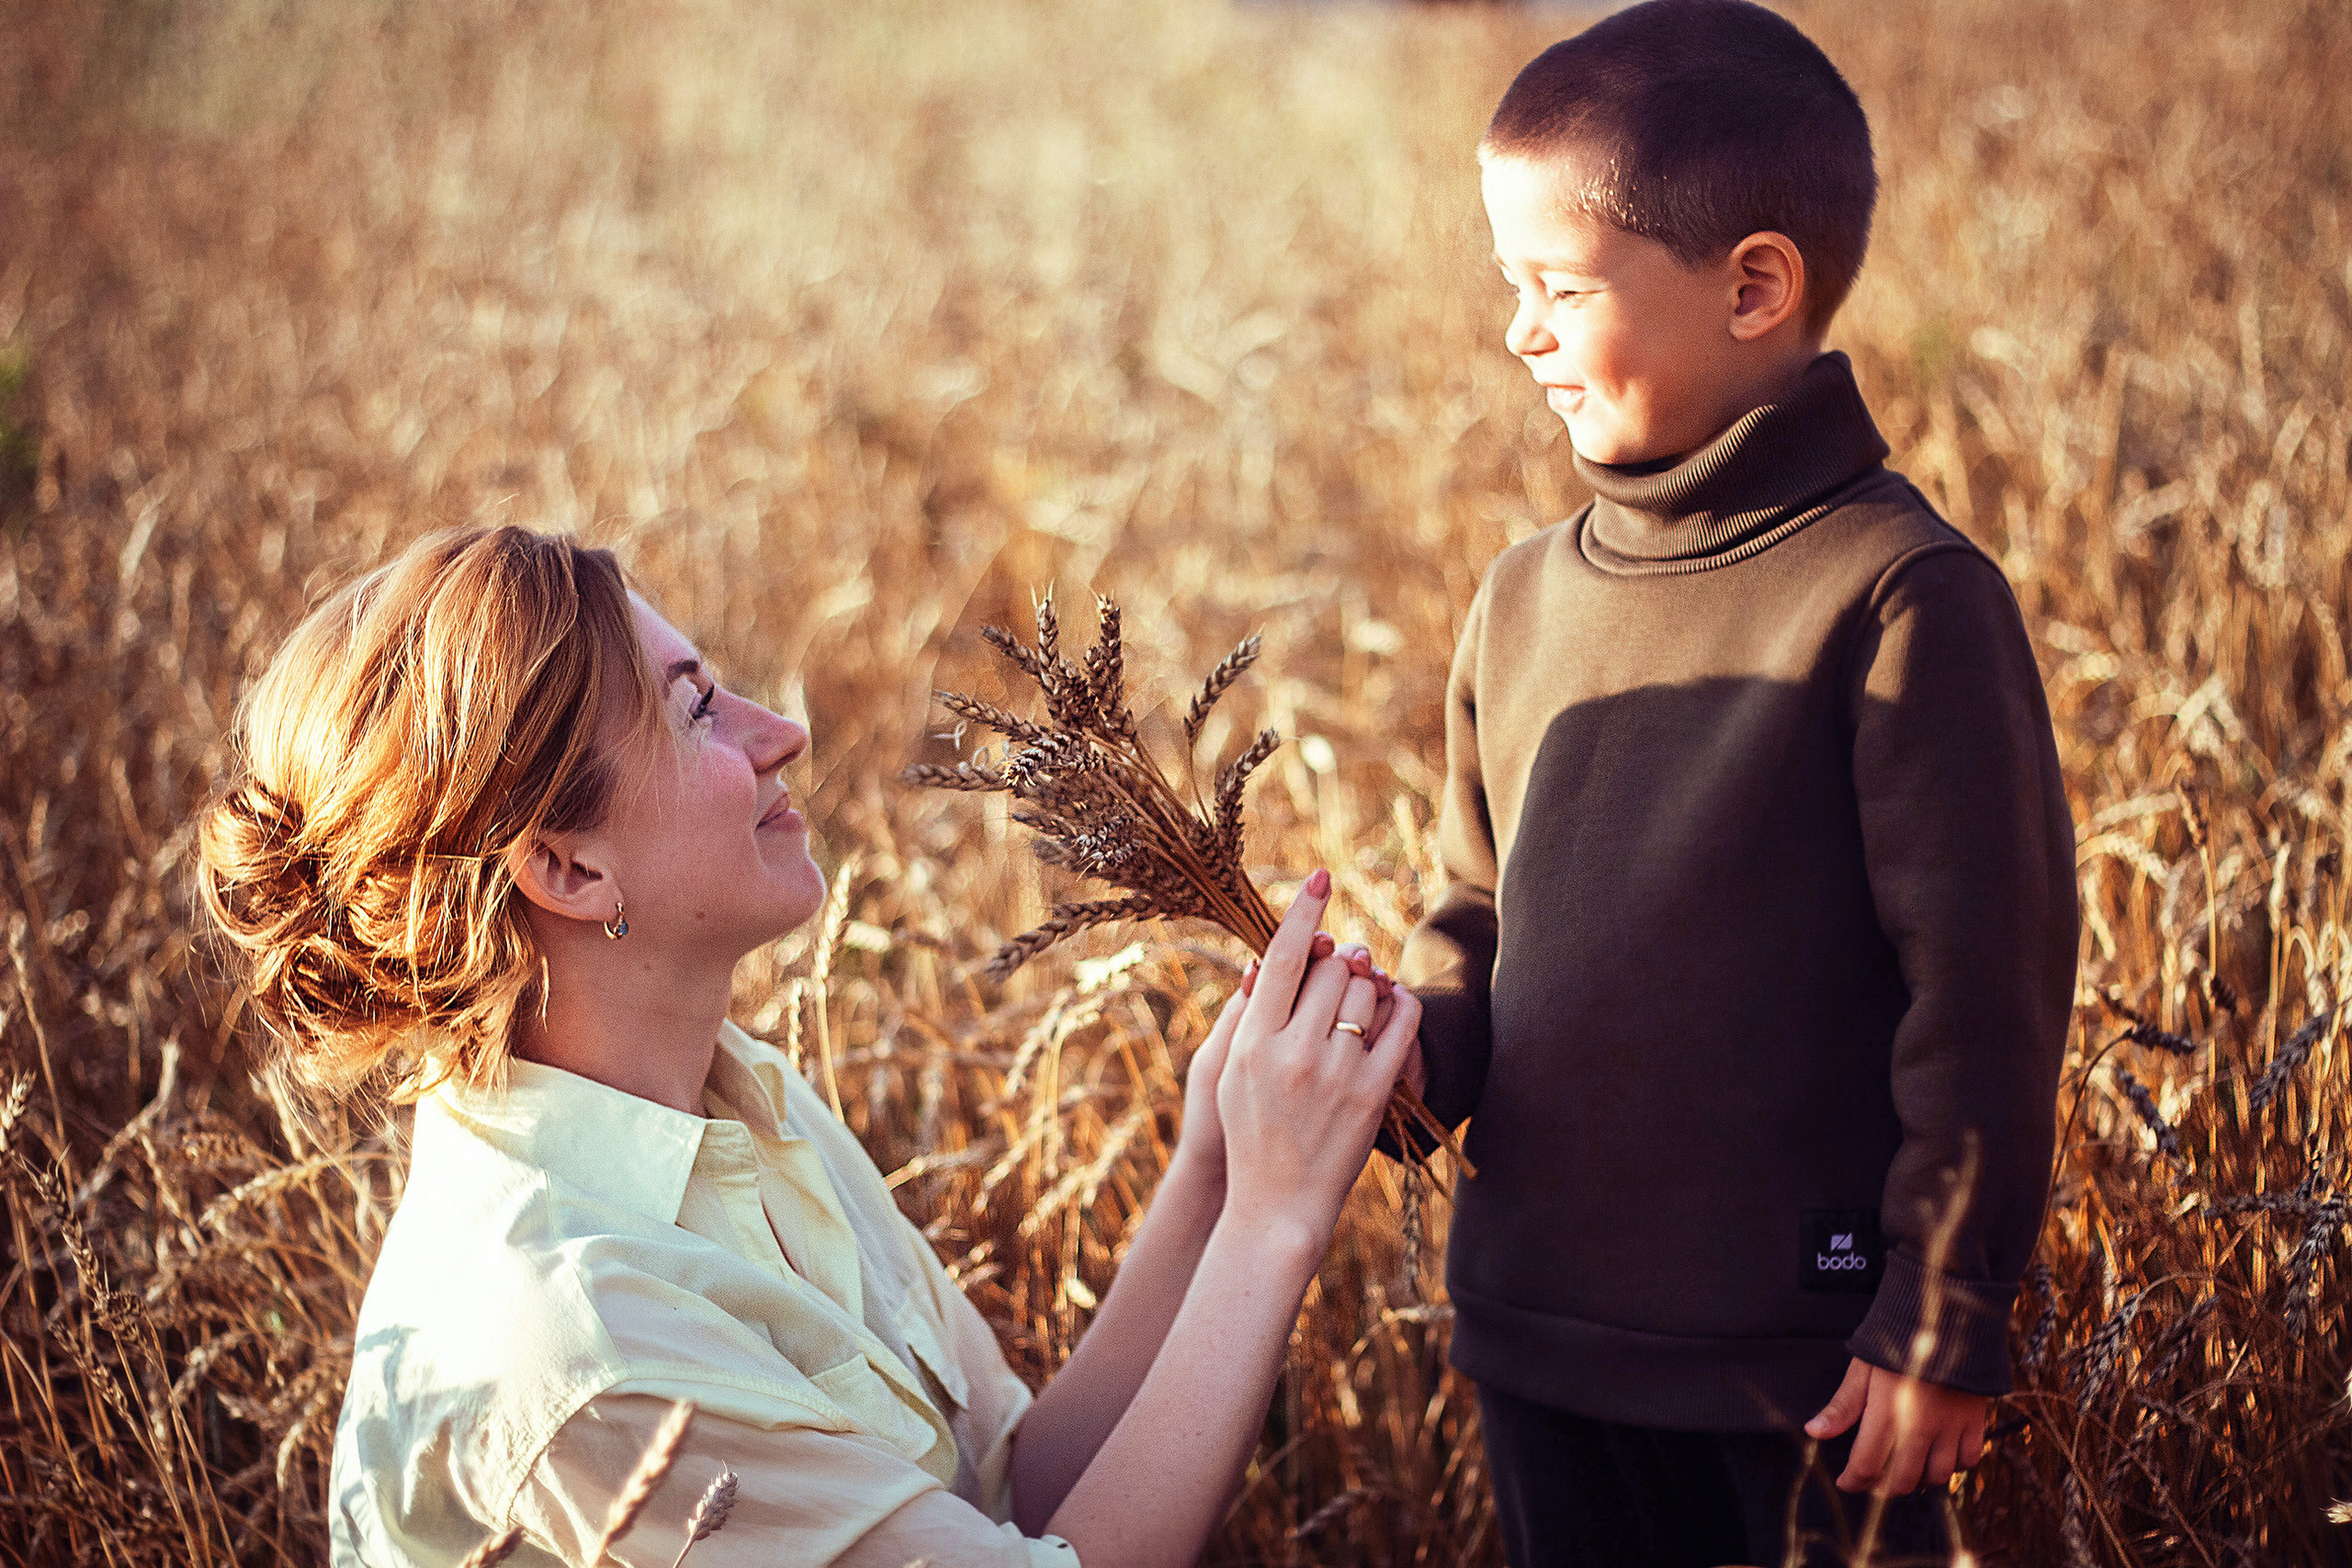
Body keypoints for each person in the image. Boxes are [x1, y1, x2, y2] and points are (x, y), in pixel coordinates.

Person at [197, 525, 1423, 1568]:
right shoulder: (576, 1341)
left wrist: (1212, 1168)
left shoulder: (735, 1103)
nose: (780, 730)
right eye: (695, 711)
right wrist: (1273, 1222)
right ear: (565, 867)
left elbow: (1010, 1498)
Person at [1392, 4, 2078, 1564]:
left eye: (1560, 290)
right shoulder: (1519, 599)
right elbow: (1476, 918)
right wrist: (1403, 1056)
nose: (1522, 334)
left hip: (1808, 1375)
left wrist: (1944, 1309)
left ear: (1756, 286)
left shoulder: (1900, 597)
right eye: (1512, 289)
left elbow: (1986, 997)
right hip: (1536, 1344)